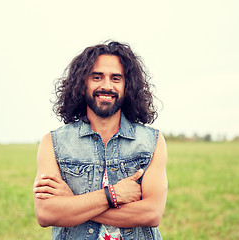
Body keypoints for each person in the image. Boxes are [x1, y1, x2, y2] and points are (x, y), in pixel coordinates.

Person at [33, 41, 168, 240]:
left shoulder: (151, 141)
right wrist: (112, 195)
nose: (106, 86)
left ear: (126, 87)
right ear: (81, 85)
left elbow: (151, 213)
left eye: (116, 78)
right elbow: (46, 213)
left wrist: (73, 203)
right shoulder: (53, 144)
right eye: (97, 77)